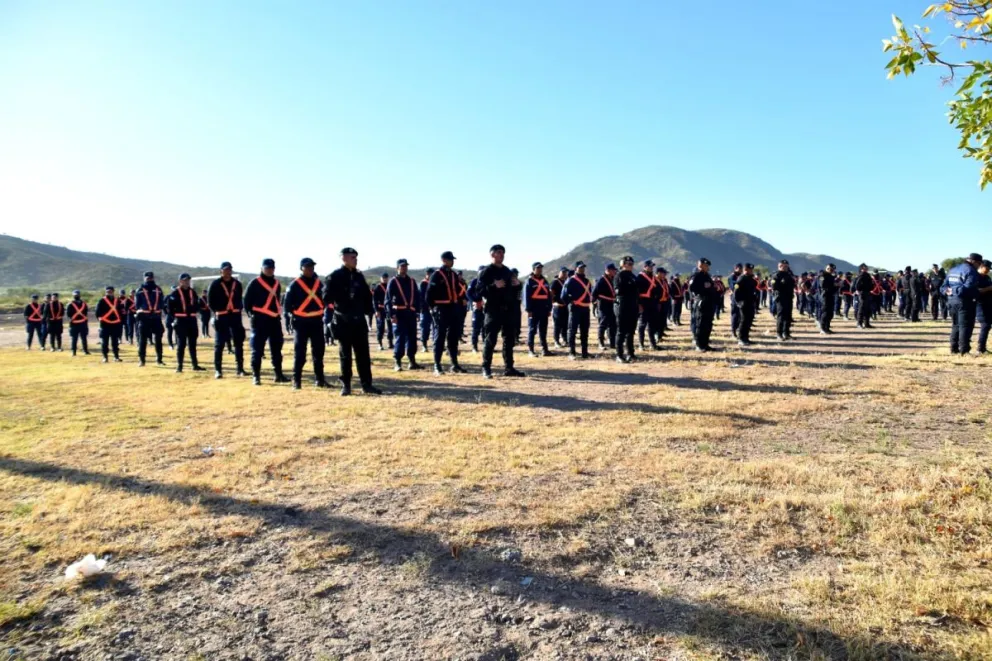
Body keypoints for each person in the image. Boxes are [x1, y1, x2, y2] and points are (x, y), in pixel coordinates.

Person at [326, 247, 381, 395]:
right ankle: (346, 385)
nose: (355, 260)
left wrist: (370, 311)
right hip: (343, 320)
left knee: (363, 354)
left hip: (358, 321)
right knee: (345, 355)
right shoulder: (334, 276)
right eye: (352, 257)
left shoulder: (359, 276)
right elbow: (325, 297)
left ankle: (366, 384)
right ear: (343, 258)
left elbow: (366, 296)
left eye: (356, 257)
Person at [478, 244, 525, 379]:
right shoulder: (486, 271)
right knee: (490, 340)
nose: (501, 255)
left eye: (503, 252)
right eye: (498, 252)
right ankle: (486, 368)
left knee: (509, 340)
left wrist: (518, 285)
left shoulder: (507, 271)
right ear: (492, 254)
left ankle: (509, 367)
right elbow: (479, 291)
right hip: (493, 311)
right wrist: (493, 285)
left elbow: (515, 287)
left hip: (508, 311)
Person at [284, 257, 328, 389]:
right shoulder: (294, 285)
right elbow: (287, 307)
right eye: (307, 266)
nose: (310, 269)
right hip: (301, 323)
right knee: (300, 354)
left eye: (312, 266)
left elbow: (325, 298)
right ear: (301, 268)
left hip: (316, 322)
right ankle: (296, 381)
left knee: (319, 352)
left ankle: (320, 380)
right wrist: (288, 321)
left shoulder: (318, 283)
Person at [243, 258, 289, 385]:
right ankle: (256, 376)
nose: (270, 270)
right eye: (267, 268)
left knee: (276, 349)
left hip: (274, 320)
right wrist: (251, 315)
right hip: (259, 320)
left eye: (272, 268)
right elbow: (246, 302)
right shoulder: (255, 283)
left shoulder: (276, 283)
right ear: (262, 268)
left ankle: (278, 374)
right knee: (257, 350)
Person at [427, 251, 466, 374]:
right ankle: (437, 365)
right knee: (440, 337)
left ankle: (454, 364)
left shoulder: (453, 275)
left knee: (453, 337)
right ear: (444, 260)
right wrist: (432, 308)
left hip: (453, 308)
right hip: (441, 309)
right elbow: (429, 294)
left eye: (452, 259)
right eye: (450, 259)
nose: (452, 261)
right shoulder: (436, 275)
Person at [207, 262, 246, 379]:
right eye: (225, 269)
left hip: (235, 316)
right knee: (219, 344)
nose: (228, 271)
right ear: (221, 271)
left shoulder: (237, 284)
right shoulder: (215, 284)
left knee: (238, 343)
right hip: (222, 316)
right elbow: (210, 302)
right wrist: (216, 312)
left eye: (229, 269)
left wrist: (238, 309)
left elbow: (239, 299)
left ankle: (240, 368)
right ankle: (218, 370)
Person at [942, 253, 983, 355]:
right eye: (979, 264)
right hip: (964, 301)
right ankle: (964, 350)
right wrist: (954, 290)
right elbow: (967, 288)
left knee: (955, 324)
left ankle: (954, 348)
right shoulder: (971, 271)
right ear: (974, 262)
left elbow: (943, 287)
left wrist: (948, 291)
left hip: (951, 301)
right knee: (965, 325)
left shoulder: (953, 270)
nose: (979, 266)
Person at [388, 258, 423, 371]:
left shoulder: (412, 281)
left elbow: (417, 298)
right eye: (402, 266)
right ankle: (397, 362)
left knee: (412, 338)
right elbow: (388, 299)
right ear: (397, 268)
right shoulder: (393, 281)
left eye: (405, 266)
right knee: (400, 338)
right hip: (399, 313)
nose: (404, 268)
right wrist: (391, 314)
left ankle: (412, 361)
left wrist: (417, 311)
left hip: (411, 313)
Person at [167, 273, 205, 373]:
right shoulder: (174, 293)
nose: (187, 282)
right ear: (180, 281)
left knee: (192, 344)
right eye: (184, 280)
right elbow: (169, 308)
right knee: (181, 344)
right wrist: (175, 318)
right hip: (180, 322)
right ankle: (179, 366)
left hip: (192, 321)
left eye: (188, 280)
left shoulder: (193, 292)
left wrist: (195, 310)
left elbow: (198, 305)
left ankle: (195, 365)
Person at [561, 260, 593, 359]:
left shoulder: (587, 281)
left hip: (585, 309)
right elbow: (563, 296)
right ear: (576, 269)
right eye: (580, 267)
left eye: (583, 267)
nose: (582, 269)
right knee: (572, 330)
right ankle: (572, 352)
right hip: (575, 309)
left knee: (585, 331)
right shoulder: (571, 280)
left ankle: (584, 352)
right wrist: (571, 303)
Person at [134, 272, 165, 366]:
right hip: (144, 318)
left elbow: (162, 302)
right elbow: (137, 305)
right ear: (144, 278)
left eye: (151, 278)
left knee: (158, 339)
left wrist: (158, 308)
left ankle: (159, 359)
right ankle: (142, 360)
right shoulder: (139, 290)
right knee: (142, 340)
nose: (149, 280)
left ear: (153, 278)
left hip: (156, 318)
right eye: (147, 278)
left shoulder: (158, 289)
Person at [613, 256, 639, 363]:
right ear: (622, 264)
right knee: (621, 332)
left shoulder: (633, 276)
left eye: (632, 263)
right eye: (628, 263)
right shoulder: (619, 275)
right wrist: (631, 288)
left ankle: (630, 353)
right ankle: (619, 355)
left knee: (631, 332)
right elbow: (619, 291)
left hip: (633, 305)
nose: (631, 265)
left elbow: (637, 290)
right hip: (623, 306)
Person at [524, 262, 553, 357]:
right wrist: (529, 310)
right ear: (533, 269)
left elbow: (548, 295)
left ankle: (545, 350)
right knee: (532, 330)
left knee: (543, 330)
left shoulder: (544, 281)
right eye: (537, 268)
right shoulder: (529, 281)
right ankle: (530, 350)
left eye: (541, 268)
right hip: (534, 309)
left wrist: (549, 308)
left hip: (544, 309)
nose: (540, 269)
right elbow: (526, 296)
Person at [688, 258, 718, 351]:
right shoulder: (696, 276)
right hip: (701, 302)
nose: (707, 267)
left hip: (709, 303)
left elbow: (712, 286)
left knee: (708, 324)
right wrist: (704, 288)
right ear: (700, 265)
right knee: (700, 324)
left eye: (708, 266)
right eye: (706, 265)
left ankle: (705, 344)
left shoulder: (707, 276)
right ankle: (699, 345)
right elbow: (692, 288)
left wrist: (710, 287)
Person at [95, 285, 124, 363]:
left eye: (110, 291)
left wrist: (120, 321)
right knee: (104, 342)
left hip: (115, 324)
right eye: (107, 291)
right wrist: (100, 320)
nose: (109, 293)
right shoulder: (101, 301)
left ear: (113, 292)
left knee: (115, 342)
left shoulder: (117, 301)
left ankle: (116, 357)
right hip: (105, 324)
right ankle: (105, 357)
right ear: (106, 292)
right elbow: (97, 312)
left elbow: (120, 312)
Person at [637, 260, 661, 350]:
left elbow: (658, 290)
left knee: (652, 324)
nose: (651, 268)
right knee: (642, 324)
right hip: (643, 302)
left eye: (652, 266)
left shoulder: (653, 277)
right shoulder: (639, 277)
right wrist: (639, 304)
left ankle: (652, 344)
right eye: (650, 266)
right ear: (645, 267)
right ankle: (641, 344)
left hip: (653, 303)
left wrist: (658, 301)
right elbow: (637, 292)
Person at [593, 263, 618, 351]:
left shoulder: (613, 279)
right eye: (613, 270)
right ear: (608, 270)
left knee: (613, 325)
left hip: (612, 305)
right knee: (603, 324)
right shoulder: (601, 280)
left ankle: (612, 343)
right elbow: (595, 294)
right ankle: (601, 343)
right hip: (603, 305)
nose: (615, 271)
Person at [771, 260, 796, 341]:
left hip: (789, 297)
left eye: (786, 266)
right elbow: (774, 287)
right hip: (781, 298)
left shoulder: (789, 274)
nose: (785, 267)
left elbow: (793, 284)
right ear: (779, 266)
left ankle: (786, 333)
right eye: (783, 266)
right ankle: (779, 334)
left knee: (788, 316)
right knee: (781, 316)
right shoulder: (776, 275)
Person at [733, 264, 758, 347]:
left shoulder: (750, 279)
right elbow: (736, 291)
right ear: (745, 270)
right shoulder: (741, 278)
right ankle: (741, 338)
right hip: (743, 303)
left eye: (751, 270)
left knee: (748, 320)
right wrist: (739, 302)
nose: (751, 271)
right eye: (749, 270)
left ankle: (746, 337)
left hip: (750, 302)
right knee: (743, 321)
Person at [372, 272, 394, 350]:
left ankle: (390, 342)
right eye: (383, 278)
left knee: (390, 326)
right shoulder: (377, 287)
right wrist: (376, 310)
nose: (385, 279)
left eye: (386, 277)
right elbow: (374, 300)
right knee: (380, 326)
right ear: (381, 278)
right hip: (380, 309)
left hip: (388, 309)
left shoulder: (390, 286)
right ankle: (380, 343)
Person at [66, 290, 91, 356]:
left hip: (83, 323)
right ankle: (73, 352)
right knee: (74, 338)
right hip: (74, 324)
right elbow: (68, 314)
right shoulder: (70, 304)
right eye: (75, 295)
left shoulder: (84, 304)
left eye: (77, 294)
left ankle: (85, 350)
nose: (76, 296)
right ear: (73, 295)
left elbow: (85, 313)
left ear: (80, 295)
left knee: (84, 338)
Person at [975, 260, 992, 354]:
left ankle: (983, 347)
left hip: (989, 304)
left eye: (989, 269)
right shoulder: (975, 277)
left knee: (987, 326)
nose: (988, 270)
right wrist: (988, 289)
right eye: (987, 268)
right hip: (980, 304)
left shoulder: (987, 277)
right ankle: (980, 348)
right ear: (981, 266)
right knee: (985, 325)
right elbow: (975, 291)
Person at [550, 267, 569, 348]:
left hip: (565, 306)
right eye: (563, 272)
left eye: (566, 272)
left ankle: (564, 339)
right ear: (559, 272)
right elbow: (551, 294)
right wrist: (553, 303)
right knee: (557, 325)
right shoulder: (555, 282)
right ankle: (556, 341)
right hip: (557, 306)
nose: (564, 274)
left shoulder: (566, 282)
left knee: (565, 324)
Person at [467, 266, 485, 352]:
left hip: (486, 308)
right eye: (481, 272)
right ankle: (474, 346)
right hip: (477, 307)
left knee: (486, 327)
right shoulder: (474, 281)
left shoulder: (488, 281)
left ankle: (486, 346)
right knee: (476, 328)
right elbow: (468, 293)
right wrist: (475, 301)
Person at [853, 264, 876, 329]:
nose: (866, 268)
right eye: (864, 268)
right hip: (862, 293)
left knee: (868, 309)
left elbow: (871, 284)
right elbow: (857, 284)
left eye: (866, 267)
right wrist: (858, 290)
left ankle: (867, 323)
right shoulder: (861, 275)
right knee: (861, 308)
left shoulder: (868, 275)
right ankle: (859, 323)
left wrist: (871, 287)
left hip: (868, 292)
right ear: (861, 269)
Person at [818, 264, 838, 334]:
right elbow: (823, 286)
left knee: (830, 313)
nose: (832, 271)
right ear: (827, 268)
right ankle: (823, 328)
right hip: (825, 296)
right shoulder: (823, 276)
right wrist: (834, 286)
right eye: (831, 269)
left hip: (831, 295)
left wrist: (837, 286)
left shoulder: (831, 276)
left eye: (833, 270)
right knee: (825, 313)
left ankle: (827, 328)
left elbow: (833, 288)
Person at [419, 267, 435, 353]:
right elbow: (421, 297)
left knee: (435, 327)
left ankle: (435, 344)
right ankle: (424, 345)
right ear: (427, 274)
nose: (430, 275)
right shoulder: (423, 283)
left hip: (434, 309)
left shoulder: (434, 283)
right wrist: (422, 308)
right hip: (425, 309)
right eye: (429, 274)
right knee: (425, 328)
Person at [729, 263, 743, 338]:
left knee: (741, 315)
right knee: (735, 315)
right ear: (735, 268)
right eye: (739, 268)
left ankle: (738, 329)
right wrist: (741, 283)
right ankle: (733, 331)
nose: (741, 270)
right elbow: (733, 286)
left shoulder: (741, 276)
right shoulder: (732, 276)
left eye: (741, 268)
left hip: (742, 298)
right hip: (735, 298)